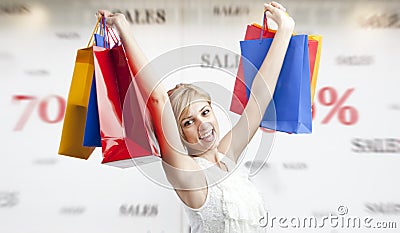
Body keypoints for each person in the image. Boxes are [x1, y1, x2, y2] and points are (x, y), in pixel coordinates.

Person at [98, 1, 294, 232]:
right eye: (188, 122)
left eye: (205, 112)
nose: (203, 124)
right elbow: (157, 99)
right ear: (177, 133)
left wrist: (285, 30)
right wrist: (123, 29)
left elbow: (260, 98)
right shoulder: (187, 172)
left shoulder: (226, 156)